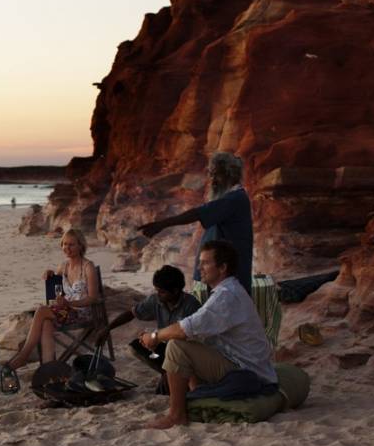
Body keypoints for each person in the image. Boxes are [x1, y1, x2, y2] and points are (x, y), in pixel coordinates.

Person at [138, 240, 277, 429]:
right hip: (242, 363)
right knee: (189, 342)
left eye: (205, 263)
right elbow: (197, 330)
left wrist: (154, 337)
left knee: (177, 346)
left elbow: (186, 328)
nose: (199, 268)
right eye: (200, 262)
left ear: (222, 268)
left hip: (246, 370)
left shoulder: (226, 295)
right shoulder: (227, 290)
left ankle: (176, 415)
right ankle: (196, 399)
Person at [138, 151, 253, 295]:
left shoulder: (234, 199)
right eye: (210, 174)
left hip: (226, 279)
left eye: (216, 174)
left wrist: (161, 225)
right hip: (218, 276)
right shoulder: (230, 198)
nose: (212, 179)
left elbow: (197, 213)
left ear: (230, 175)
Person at [0, 229, 100, 393]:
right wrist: (50, 273)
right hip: (65, 311)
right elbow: (56, 276)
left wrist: (70, 302)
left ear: (81, 246)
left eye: (71, 245)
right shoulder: (64, 266)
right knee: (45, 322)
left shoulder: (88, 267)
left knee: (41, 311)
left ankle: (24, 355)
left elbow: (93, 298)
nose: (67, 248)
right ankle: (48, 370)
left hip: (82, 312)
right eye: (64, 244)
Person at [107, 265, 201, 393]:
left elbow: (192, 340)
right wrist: (107, 329)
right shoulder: (156, 300)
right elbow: (131, 313)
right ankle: (165, 372)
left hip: (184, 351)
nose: (158, 295)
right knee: (136, 346)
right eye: (157, 291)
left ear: (175, 291)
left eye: (162, 292)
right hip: (165, 348)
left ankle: (173, 374)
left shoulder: (191, 305)